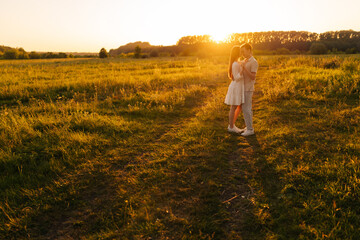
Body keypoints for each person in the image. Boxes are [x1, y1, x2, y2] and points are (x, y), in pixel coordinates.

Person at [239, 43, 258, 136]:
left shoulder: (254, 62)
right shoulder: (244, 60)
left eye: (243, 51)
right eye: (241, 52)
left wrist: (244, 68)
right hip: (243, 87)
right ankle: (248, 126)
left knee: (247, 109)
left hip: (248, 88)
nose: (242, 53)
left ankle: (250, 130)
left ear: (249, 50)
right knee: (245, 108)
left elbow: (253, 77)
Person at [224, 45, 245, 133]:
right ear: (237, 52)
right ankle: (231, 127)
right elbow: (236, 77)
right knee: (233, 107)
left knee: (239, 105)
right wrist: (242, 70)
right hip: (236, 86)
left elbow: (242, 62)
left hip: (238, 86)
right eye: (240, 51)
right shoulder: (235, 64)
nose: (241, 52)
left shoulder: (237, 62)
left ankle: (232, 125)